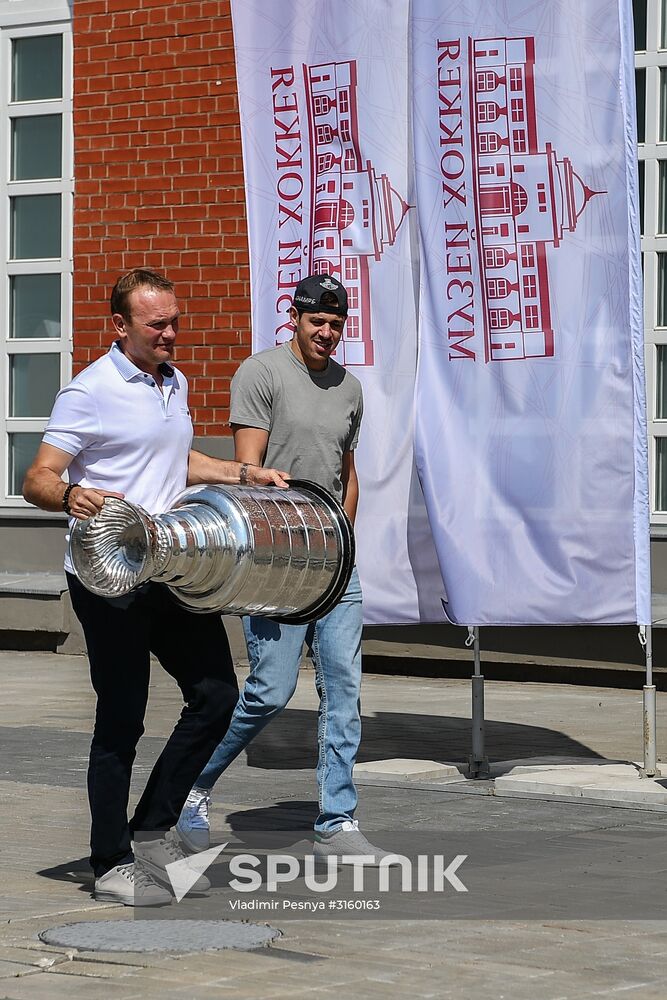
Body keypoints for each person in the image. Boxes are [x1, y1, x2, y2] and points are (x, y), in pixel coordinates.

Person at [23, 268, 290, 906]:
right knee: (123, 718)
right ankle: (111, 861)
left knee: (217, 694)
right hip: (108, 574)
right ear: (121, 326)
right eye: (157, 324)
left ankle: (152, 826)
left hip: (168, 566)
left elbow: (176, 460)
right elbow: (37, 476)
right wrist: (69, 494)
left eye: (174, 320)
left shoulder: (174, 382)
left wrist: (241, 475)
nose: (172, 333)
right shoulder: (88, 392)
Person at [177, 273, 389, 862]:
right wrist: (269, 556)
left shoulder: (349, 388)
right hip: (274, 559)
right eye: (316, 322)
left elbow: (347, 470)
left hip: (333, 560)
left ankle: (337, 818)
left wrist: (342, 537)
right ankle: (192, 785)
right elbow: (247, 475)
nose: (326, 333)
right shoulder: (261, 373)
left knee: (344, 689)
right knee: (270, 690)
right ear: (294, 318)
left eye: (336, 325)